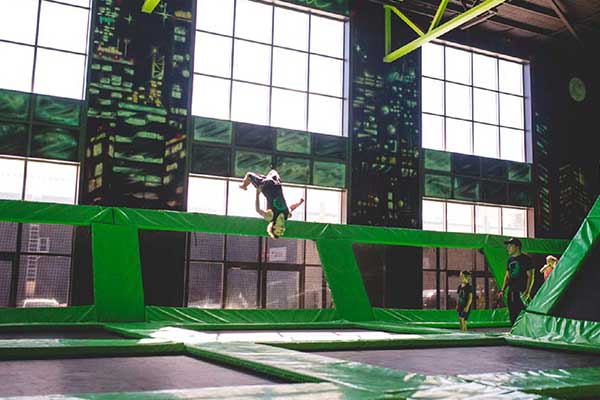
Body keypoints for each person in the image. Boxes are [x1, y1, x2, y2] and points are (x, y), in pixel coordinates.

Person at [239, 169, 304, 239]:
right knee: (273, 171)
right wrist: (299, 203)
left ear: (274, 227)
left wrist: (257, 193)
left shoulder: (270, 217)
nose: (282, 231)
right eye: (281, 233)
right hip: (277, 184)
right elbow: (291, 208)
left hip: (266, 186)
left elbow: (258, 210)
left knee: (249, 175)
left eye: (278, 232)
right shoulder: (286, 215)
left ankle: (244, 186)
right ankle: (261, 178)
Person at [498, 238, 535, 325]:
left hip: (521, 292)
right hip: (511, 291)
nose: (508, 248)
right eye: (508, 246)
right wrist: (502, 290)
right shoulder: (510, 260)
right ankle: (513, 332)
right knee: (512, 314)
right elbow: (507, 276)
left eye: (510, 246)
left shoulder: (526, 259)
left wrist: (528, 291)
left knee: (522, 314)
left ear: (517, 247)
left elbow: (531, 276)